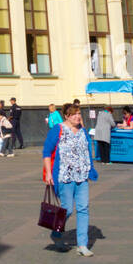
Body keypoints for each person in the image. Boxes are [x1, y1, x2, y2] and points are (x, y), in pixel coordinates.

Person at [42, 102, 99, 255]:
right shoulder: (58, 130)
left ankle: (82, 245)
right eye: (74, 114)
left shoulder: (83, 131)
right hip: (64, 176)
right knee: (66, 209)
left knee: (83, 208)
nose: (78, 117)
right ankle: (56, 232)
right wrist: (48, 173)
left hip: (82, 176)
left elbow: (87, 151)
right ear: (66, 116)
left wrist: (90, 169)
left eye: (79, 114)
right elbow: (47, 152)